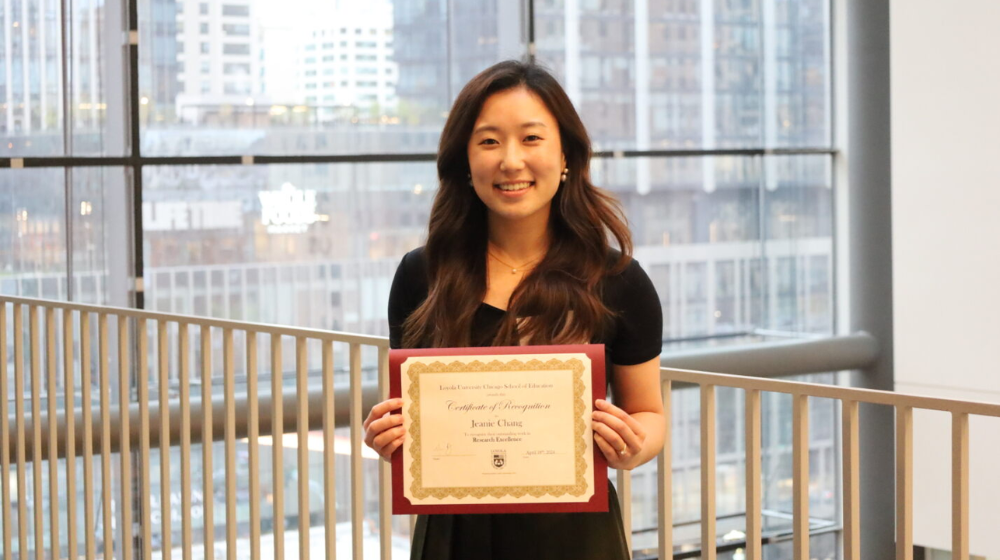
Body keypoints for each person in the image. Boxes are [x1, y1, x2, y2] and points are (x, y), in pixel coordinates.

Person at [363, 60, 664, 560]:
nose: (510, 161)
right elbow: (417, 415)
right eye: (488, 141)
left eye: (530, 139)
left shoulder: (618, 281)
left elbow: (648, 412)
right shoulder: (422, 275)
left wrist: (634, 444)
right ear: (464, 159)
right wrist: (390, 433)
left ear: (565, 154)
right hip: (453, 535)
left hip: (574, 539)